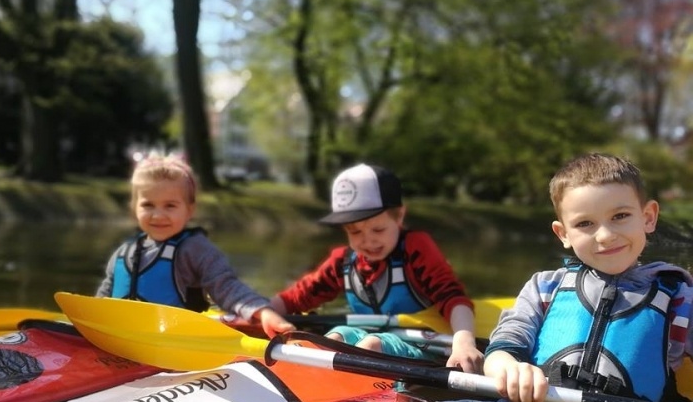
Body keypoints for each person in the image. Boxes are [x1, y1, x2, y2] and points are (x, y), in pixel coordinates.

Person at [443, 153, 693, 402]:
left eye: (620, 216)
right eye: (585, 223)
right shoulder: (543, 287)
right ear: (563, 234)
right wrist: (508, 368)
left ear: (648, 217)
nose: (605, 235)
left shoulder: (680, 299)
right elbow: (504, 346)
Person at [269, 163, 483, 373]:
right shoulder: (342, 261)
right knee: (332, 339)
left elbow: (453, 298)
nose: (367, 241)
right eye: (354, 232)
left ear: (399, 216)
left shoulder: (416, 248)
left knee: (370, 345)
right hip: (369, 339)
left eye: (378, 229)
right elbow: (294, 298)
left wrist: (464, 342)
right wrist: (263, 313)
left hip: (423, 345)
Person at [96, 153, 293, 338]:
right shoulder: (124, 252)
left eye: (170, 206)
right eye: (148, 205)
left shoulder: (195, 249)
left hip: (175, 340)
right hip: (122, 336)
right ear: (134, 208)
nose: (157, 215)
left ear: (189, 210)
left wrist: (262, 312)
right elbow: (104, 297)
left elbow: (226, 286)